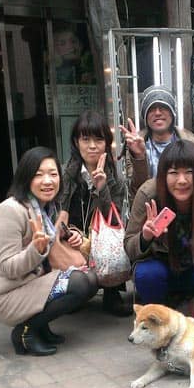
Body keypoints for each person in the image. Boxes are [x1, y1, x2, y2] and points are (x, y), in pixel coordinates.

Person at [0, 147, 99, 356]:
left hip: (29, 281)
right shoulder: (9, 210)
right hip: (5, 293)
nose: (47, 181)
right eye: (39, 174)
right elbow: (8, 268)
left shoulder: (45, 208)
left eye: (53, 174)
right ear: (26, 178)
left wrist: (70, 237)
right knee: (79, 284)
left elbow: (50, 246)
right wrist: (36, 249)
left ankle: (41, 327)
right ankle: (26, 332)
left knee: (91, 279)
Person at [124, 139, 194, 346]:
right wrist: (145, 237)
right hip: (163, 268)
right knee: (146, 274)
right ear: (163, 174)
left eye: (189, 172)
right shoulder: (148, 194)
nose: (182, 180)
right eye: (174, 173)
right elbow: (129, 248)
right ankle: (161, 319)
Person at [59, 110, 132, 316]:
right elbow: (58, 213)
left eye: (98, 140)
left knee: (117, 240)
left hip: (101, 238)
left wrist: (102, 187)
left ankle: (111, 294)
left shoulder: (115, 177)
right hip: (72, 238)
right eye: (86, 139)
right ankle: (75, 291)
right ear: (76, 142)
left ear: (106, 143)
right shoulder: (65, 174)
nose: (92, 146)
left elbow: (113, 218)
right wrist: (69, 233)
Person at [120, 84, 194, 201]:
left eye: (163, 107)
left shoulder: (193, 144)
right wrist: (139, 157)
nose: (158, 113)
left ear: (172, 112)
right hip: (151, 208)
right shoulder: (135, 146)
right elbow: (136, 190)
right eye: (152, 109)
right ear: (145, 115)